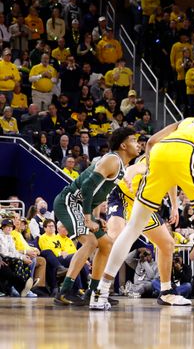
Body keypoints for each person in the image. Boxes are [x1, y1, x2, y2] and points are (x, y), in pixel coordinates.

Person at [92, 92, 194, 313]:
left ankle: (100, 292)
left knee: (132, 228)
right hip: (187, 154)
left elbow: (151, 141)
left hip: (161, 153)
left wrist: (152, 169)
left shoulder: (186, 122)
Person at [52, 127, 140, 305]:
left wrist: (95, 217)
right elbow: (87, 187)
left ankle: (93, 292)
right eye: (133, 140)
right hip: (69, 202)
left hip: (82, 206)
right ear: (123, 145)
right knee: (91, 242)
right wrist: (87, 218)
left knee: (107, 244)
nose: (138, 144)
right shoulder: (112, 160)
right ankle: (64, 291)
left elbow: (98, 194)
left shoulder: (121, 166)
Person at [105, 157, 190, 306]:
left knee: (167, 244)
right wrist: (129, 177)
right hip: (122, 197)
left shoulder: (174, 161)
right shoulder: (156, 155)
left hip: (143, 203)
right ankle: (98, 290)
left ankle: (165, 292)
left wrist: (175, 207)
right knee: (113, 240)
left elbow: (172, 182)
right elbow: (135, 169)